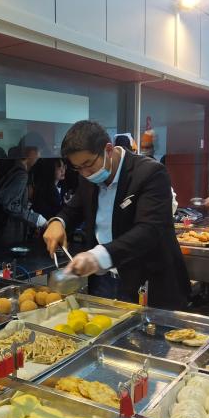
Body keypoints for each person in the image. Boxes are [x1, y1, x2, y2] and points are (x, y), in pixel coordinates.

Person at [43, 120, 191, 310]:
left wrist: (98, 257)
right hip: (103, 281)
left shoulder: (150, 173)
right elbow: (75, 207)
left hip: (146, 283)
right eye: (78, 168)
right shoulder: (87, 176)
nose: (85, 173)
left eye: (88, 164)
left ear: (108, 149)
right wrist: (58, 222)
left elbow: (149, 230)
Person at [0, 136, 48, 247]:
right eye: (39, 151)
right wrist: (36, 219)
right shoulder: (21, 174)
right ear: (31, 152)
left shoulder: (11, 167)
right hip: (8, 233)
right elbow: (9, 204)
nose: (39, 156)